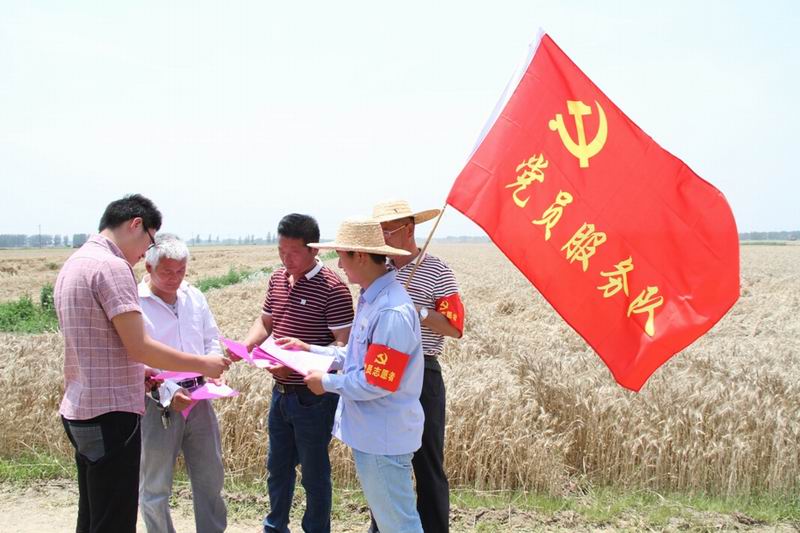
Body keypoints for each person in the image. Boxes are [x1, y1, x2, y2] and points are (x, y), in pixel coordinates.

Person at [55, 194, 230, 533]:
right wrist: (202, 365)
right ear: (136, 225)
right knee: (115, 517)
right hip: (112, 411)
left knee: (93, 514)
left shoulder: (76, 262)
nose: (142, 254)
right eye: (148, 242)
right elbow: (139, 347)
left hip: (83, 405)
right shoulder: (112, 267)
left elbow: (104, 346)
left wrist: (144, 373)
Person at [279, 219, 425, 533]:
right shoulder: (372, 298)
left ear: (360, 256)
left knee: (399, 525)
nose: (339, 265)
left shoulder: (390, 311)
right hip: (374, 433)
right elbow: (358, 357)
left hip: (382, 435)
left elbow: (378, 381)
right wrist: (310, 350)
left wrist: (327, 383)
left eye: (342, 256)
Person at [240, 213, 354, 533]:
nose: (285, 259)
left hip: (313, 397)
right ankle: (275, 526)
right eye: (281, 251)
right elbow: (266, 322)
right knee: (277, 468)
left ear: (313, 250)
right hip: (280, 392)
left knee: (314, 473)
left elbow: (344, 346)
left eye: (293, 252)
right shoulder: (277, 279)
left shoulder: (333, 288)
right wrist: (246, 347)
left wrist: (299, 361)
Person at [370, 200, 465, 533]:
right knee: (383, 459)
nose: (381, 237)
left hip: (422, 371)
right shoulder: (378, 270)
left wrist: (417, 310)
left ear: (408, 230)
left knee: (427, 461)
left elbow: (455, 327)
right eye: (378, 231)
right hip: (383, 370)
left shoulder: (437, 270)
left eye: (387, 230)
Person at [138, 233, 227, 533]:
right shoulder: (136, 303)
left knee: (210, 478)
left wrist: (214, 368)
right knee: (155, 484)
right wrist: (168, 392)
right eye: (167, 272)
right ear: (148, 268)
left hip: (199, 398)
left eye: (181, 271)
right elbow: (138, 357)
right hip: (156, 403)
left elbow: (210, 338)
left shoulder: (194, 296)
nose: (175, 278)